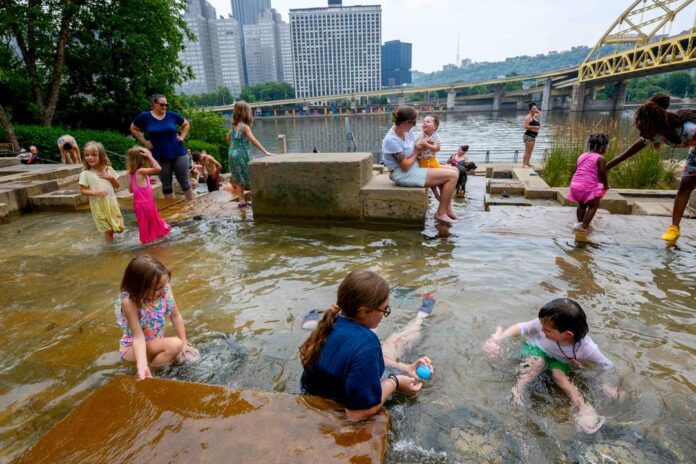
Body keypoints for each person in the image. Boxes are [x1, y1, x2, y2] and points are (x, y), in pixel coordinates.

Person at [300, 271, 434, 422]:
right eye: (384, 309)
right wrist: (395, 382)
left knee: (373, 336)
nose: (384, 315)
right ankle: (421, 317)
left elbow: (353, 360)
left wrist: (405, 367)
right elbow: (357, 414)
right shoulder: (367, 345)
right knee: (396, 342)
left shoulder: (329, 324)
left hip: (317, 395)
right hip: (338, 407)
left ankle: (309, 321)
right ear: (362, 311)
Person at [482, 298, 622, 434]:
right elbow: (522, 328)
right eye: (542, 327)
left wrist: (604, 384)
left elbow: (607, 366)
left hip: (559, 361)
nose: (541, 330)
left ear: (567, 335)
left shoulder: (586, 348)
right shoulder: (544, 323)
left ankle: (582, 406)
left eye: (547, 330)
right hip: (534, 351)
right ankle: (518, 391)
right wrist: (498, 339)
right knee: (537, 362)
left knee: (558, 375)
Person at [605, 92, 696, 243]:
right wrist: (605, 167)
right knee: (685, 186)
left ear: (655, 125)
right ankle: (674, 228)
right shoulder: (653, 134)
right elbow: (626, 154)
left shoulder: (689, 130)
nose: (640, 131)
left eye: (642, 127)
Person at [115, 255, 199, 380]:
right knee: (175, 345)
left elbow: (176, 316)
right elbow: (138, 336)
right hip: (133, 349)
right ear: (139, 288)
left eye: (164, 285)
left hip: (157, 343)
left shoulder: (164, 289)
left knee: (192, 356)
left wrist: (185, 344)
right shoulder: (130, 302)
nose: (163, 290)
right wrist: (142, 365)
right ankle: (151, 374)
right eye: (158, 288)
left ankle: (158, 366)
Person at [381, 106, 459, 223]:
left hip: (415, 165)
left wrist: (426, 144)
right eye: (414, 122)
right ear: (407, 122)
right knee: (452, 176)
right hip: (403, 173)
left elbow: (416, 147)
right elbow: (405, 166)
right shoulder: (391, 140)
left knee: (455, 170)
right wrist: (418, 150)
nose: (415, 126)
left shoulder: (407, 132)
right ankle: (440, 213)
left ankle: (448, 209)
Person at [130, 94, 194, 201]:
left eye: (166, 105)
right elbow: (133, 128)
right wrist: (144, 142)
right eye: (162, 104)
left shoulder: (171, 115)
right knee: (166, 184)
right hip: (159, 155)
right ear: (154, 104)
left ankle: (193, 207)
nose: (164, 107)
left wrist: (182, 137)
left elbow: (186, 124)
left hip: (178, 153)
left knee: (184, 181)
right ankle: (171, 209)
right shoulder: (145, 116)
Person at [227, 101, 273, 208]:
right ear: (246, 113)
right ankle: (254, 198)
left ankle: (241, 200)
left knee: (239, 178)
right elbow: (253, 140)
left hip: (232, 153)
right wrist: (265, 151)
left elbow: (228, 139)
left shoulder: (232, 127)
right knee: (249, 175)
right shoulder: (244, 127)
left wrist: (233, 147)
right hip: (241, 153)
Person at [78, 141, 124, 242]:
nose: (90, 157)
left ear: (102, 156)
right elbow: (82, 191)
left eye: (94, 155)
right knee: (108, 230)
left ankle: (112, 242)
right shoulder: (85, 173)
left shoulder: (108, 169)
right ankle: (110, 250)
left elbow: (117, 186)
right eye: (87, 155)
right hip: (98, 206)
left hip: (111, 204)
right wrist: (95, 193)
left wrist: (111, 177)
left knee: (120, 229)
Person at [126, 146, 171, 244]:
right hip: (146, 204)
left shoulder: (132, 173)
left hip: (139, 205)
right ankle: (160, 244)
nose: (150, 161)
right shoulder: (141, 171)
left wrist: (145, 182)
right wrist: (150, 156)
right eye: (148, 159)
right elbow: (158, 168)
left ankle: (148, 242)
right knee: (156, 223)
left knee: (145, 226)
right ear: (143, 160)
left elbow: (130, 190)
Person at [567, 133, 609, 233]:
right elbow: (602, 173)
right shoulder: (601, 158)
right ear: (603, 147)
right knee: (593, 206)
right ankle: (584, 227)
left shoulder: (582, 155)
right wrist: (605, 184)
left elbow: (578, 169)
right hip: (587, 186)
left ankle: (580, 223)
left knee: (582, 205)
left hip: (575, 185)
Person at [522, 102, 541, 168]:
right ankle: (524, 164)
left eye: (536, 108)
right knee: (527, 151)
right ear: (530, 110)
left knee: (530, 151)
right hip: (529, 136)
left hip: (533, 136)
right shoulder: (528, 117)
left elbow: (539, 113)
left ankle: (528, 163)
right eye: (533, 109)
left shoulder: (534, 116)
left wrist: (536, 110)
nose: (535, 110)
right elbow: (525, 126)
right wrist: (534, 127)